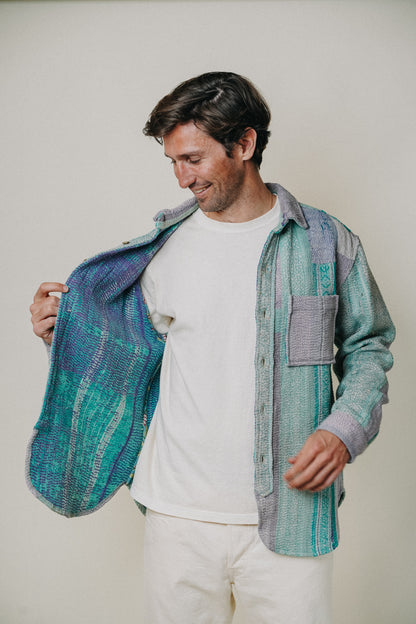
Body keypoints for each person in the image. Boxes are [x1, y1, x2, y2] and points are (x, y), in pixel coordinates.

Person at [28, 72, 395, 623]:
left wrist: (343, 430)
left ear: (244, 144)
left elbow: (369, 347)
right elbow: (121, 360)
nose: (183, 178)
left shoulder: (327, 243)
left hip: (293, 514)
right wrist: (61, 334)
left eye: (193, 159)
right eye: (173, 162)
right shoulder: (162, 251)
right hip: (177, 518)